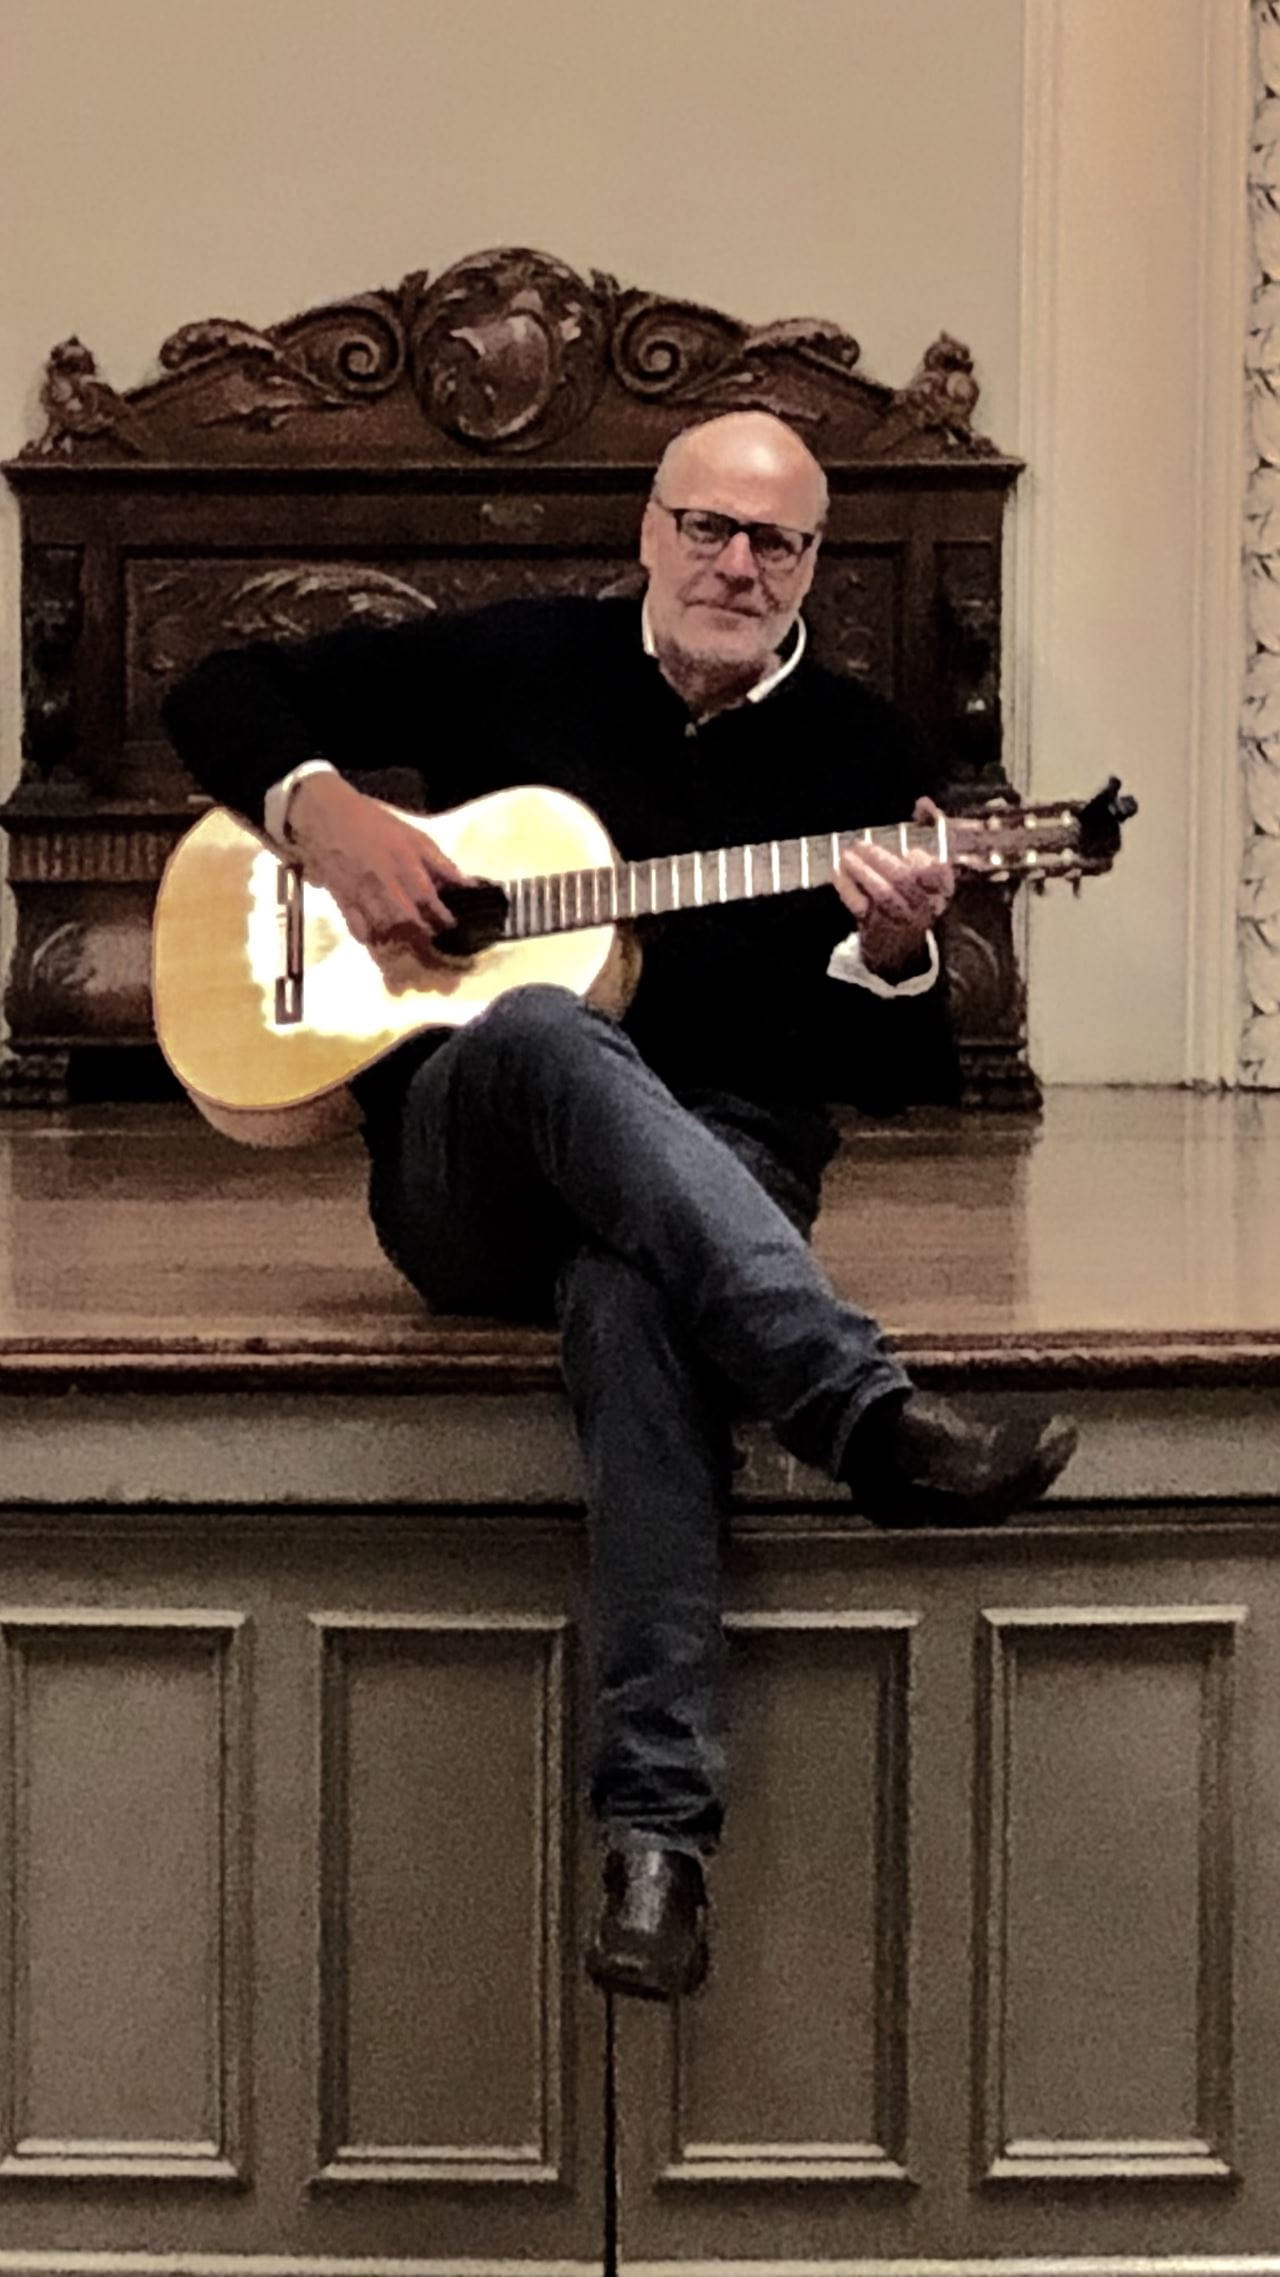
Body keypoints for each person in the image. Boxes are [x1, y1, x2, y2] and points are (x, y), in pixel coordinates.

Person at [163, 411, 1076, 2002]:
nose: (736, 563)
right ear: (649, 530)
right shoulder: (519, 660)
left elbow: (894, 1069)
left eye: (774, 542)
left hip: (724, 1156)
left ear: (813, 568)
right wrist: (331, 819)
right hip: (468, 1166)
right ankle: (858, 1410)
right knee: (539, 1027)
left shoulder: (869, 757)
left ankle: (658, 1845)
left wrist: (892, 952)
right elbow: (217, 690)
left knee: (636, 1292)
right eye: (708, 526)